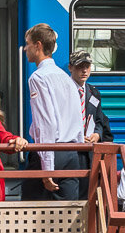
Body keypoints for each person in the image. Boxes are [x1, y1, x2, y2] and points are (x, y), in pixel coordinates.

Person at [22, 24, 84, 200]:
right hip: (72, 152)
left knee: (31, 212)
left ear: (38, 45)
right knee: (68, 212)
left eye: (28, 43)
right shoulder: (66, 78)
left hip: (51, 152)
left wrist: (47, 168)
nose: (25, 48)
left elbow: (45, 124)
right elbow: (77, 118)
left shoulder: (38, 78)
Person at [68, 49, 113, 144]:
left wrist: (97, 134)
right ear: (70, 68)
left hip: (89, 148)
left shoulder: (94, 92)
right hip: (70, 147)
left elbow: (99, 119)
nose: (84, 71)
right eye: (80, 67)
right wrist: (76, 136)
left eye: (87, 67)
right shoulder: (63, 91)